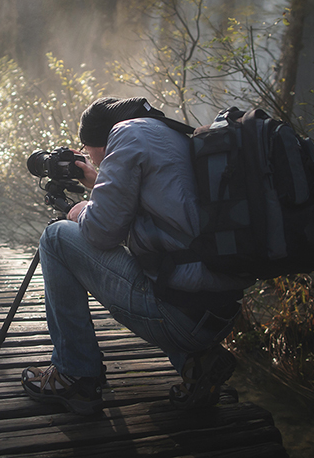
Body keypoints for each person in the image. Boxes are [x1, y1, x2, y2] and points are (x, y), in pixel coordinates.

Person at [21, 97, 254, 415]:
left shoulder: (125, 136)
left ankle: (75, 374)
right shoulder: (169, 134)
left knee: (55, 238)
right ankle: (198, 363)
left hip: (179, 319)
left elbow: (101, 232)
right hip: (216, 315)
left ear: (101, 139)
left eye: (89, 150)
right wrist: (96, 182)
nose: (92, 159)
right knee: (163, 263)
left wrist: (77, 211)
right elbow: (154, 215)